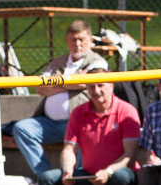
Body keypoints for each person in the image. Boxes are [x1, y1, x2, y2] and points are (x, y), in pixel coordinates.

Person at [37, 72, 140, 185]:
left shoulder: (126, 111)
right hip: (88, 174)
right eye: (91, 86)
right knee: (47, 178)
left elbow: (129, 155)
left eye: (101, 85)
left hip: (117, 175)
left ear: (111, 86)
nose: (96, 90)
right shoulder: (78, 112)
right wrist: (67, 171)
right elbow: (69, 148)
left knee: (123, 177)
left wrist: (108, 171)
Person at [13, 20, 108, 176]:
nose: (77, 44)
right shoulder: (57, 62)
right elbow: (40, 88)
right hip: (50, 124)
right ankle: (44, 175)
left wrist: (57, 82)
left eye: (81, 40)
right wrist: (72, 80)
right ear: (67, 41)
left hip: (80, 122)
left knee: (85, 132)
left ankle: (78, 178)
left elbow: (88, 83)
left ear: (90, 41)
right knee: (22, 128)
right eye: (73, 40)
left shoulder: (98, 62)